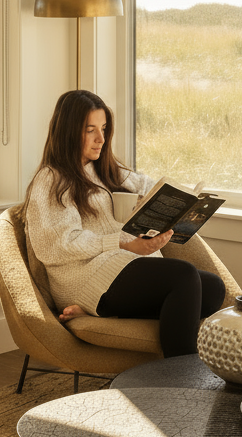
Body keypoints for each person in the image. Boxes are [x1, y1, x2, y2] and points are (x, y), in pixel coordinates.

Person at [23, 89, 226, 357]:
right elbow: (57, 246)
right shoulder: (51, 179)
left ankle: (110, 312)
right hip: (84, 276)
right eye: (90, 130)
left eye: (104, 128)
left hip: (120, 266)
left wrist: (182, 201)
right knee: (185, 277)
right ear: (68, 131)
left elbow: (148, 185)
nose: (101, 139)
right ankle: (179, 378)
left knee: (212, 289)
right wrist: (122, 242)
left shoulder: (105, 168)